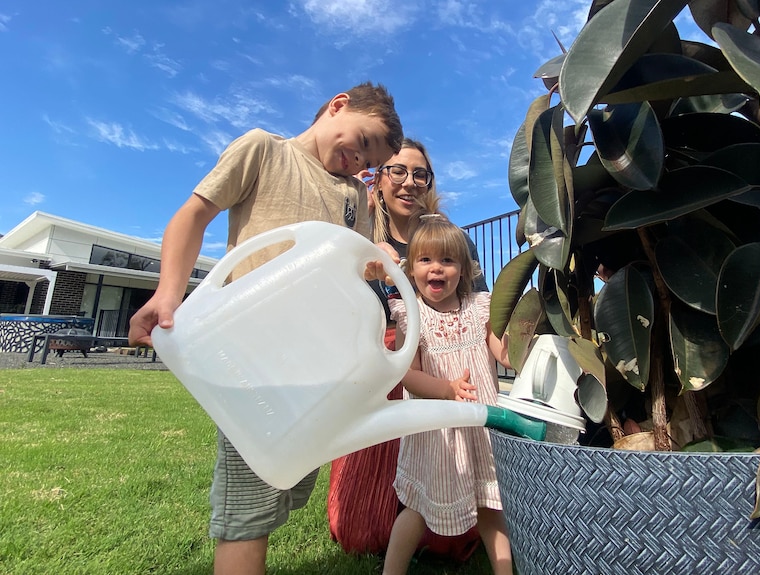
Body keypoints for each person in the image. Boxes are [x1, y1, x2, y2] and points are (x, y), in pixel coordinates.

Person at [127, 81, 403, 575]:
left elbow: (352, 267)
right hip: (253, 352)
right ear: (338, 105)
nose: (358, 161)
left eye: (369, 162)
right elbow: (193, 215)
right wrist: (169, 293)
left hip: (316, 358)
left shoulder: (355, 195)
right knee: (249, 505)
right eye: (360, 142)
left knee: (289, 479)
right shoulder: (264, 150)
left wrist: (374, 257)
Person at [327, 139, 486, 560]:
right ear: (377, 178)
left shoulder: (448, 238)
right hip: (381, 372)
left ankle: (440, 532)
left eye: (420, 173)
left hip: (439, 367)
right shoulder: (360, 236)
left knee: (448, 525)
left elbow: (478, 303)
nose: (409, 182)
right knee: (358, 529)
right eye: (397, 171)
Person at [382, 213, 513, 575]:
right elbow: (408, 376)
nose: (436, 269)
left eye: (447, 260)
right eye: (425, 260)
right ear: (411, 271)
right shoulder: (412, 315)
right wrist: (446, 389)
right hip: (435, 434)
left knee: (490, 506)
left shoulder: (479, 307)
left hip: (480, 430)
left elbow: (502, 352)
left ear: (464, 269)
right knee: (418, 508)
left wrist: (520, 344)